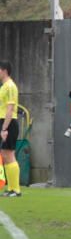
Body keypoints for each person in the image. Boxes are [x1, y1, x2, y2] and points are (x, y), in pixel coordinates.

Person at [0, 61, 20, 198]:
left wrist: (4, 128)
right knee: (5, 154)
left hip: (9, 122)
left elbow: (10, 108)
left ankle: (16, 190)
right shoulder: (4, 86)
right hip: (4, 122)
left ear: (4, 70)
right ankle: (10, 188)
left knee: (9, 154)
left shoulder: (10, 86)